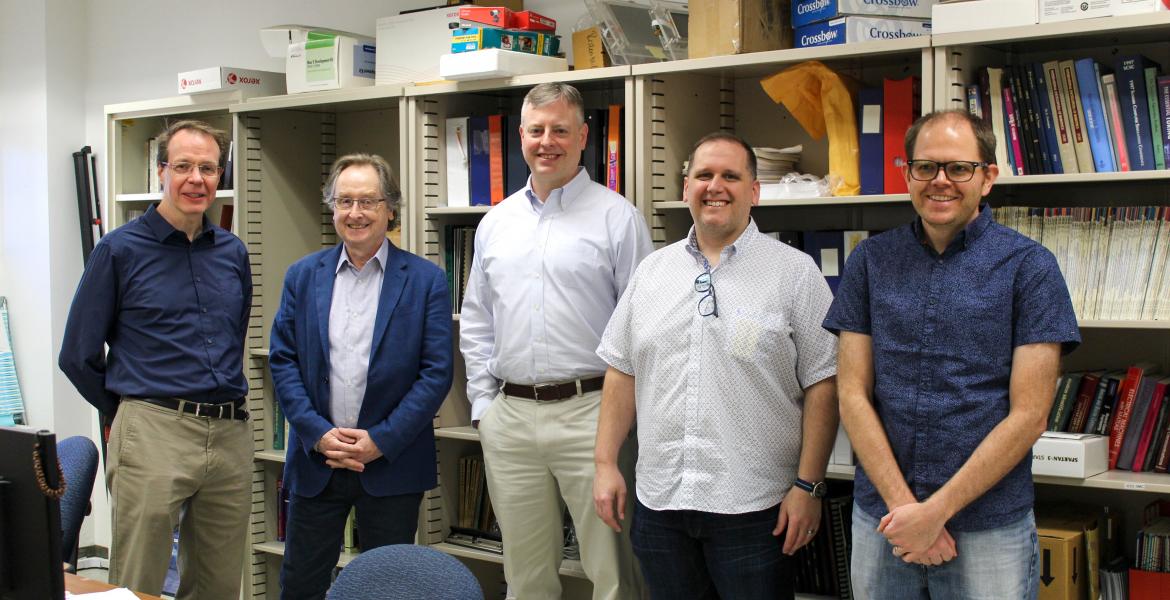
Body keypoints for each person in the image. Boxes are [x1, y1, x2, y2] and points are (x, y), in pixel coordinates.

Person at [823, 109, 1081, 599]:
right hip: (885, 520)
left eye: (958, 168)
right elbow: (852, 393)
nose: (940, 181)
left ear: (988, 178)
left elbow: (1029, 414)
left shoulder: (1031, 268)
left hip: (987, 526)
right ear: (907, 175)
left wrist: (935, 513)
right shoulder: (870, 261)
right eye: (926, 167)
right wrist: (909, 513)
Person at [593, 132, 839, 599]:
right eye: (703, 175)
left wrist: (809, 485)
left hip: (755, 509)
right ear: (686, 189)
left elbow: (823, 384)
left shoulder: (795, 273)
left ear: (755, 191)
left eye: (731, 175)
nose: (715, 186)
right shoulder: (652, 272)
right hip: (660, 504)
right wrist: (605, 463)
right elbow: (621, 371)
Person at [460, 82, 652, 599]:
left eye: (560, 130)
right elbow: (477, 319)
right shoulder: (495, 223)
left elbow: (642, 329)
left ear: (583, 136)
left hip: (593, 415)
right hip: (511, 418)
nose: (548, 141)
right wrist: (483, 405)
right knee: (524, 576)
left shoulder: (619, 218)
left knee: (611, 571)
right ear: (521, 136)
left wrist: (621, 422)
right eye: (537, 130)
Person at [59, 120, 251, 598]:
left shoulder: (232, 252)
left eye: (208, 168)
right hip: (153, 427)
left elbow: (234, 338)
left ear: (220, 175)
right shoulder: (119, 250)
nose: (196, 179)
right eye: (183, 166)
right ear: (161, 171)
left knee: (219, 584)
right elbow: (77, 354)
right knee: (136, 582)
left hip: (229, 433)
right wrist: (127, 409)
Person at [269, 153, 453, 600]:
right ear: (332, 208)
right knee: (300, 584)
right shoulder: (302, 276)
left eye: (368, 201)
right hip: (318, 462)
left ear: (391, 209)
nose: (356, 213)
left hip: (391, 464)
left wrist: (380, 441)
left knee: (386, 590)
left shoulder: (426, 280)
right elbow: (283, 361)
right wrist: (316, 433)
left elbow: (436, 374)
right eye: (344, 201)